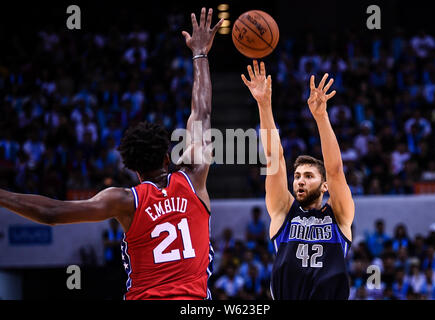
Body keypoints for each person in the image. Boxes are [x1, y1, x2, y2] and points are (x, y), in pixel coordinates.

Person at [0, 8, 223, 300]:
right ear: (167, 157)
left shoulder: (123, 200)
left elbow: (52, 213)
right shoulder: (194, 179)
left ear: (131, 168)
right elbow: (202, 111)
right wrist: (200, 54)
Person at [241, 61, 355, 300]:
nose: (300, 181)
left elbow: (335, 170)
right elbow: (275, 158)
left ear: (324, 186)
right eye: (297, 176)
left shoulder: (339, 215)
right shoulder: (284, 211)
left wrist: (321, 117)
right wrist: (263, 104)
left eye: (309, 176)